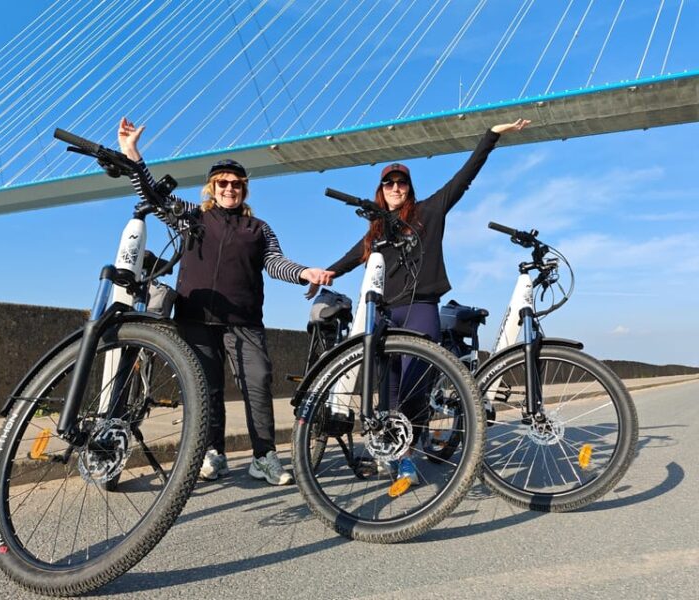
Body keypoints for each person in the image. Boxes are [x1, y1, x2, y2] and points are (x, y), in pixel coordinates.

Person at [307, 119, 531, 484]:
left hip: (421, 307)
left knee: (418, 378)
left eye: (402, 182)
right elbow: (355, 255)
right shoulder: (377, 229)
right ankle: (395, 451)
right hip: (385, 311)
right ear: (381, 190)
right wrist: (328, 272)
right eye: (389, 183)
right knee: (389, 385)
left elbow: (464, 178)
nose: (396, 187)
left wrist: (491, 136)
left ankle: (410, 449)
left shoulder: (429, 212)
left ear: (410, 188)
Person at [118, 117, 334, 486]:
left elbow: (274, 263)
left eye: (236, 184)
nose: (229, 188)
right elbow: (153, 197)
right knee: (207, 389)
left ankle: (264, 457)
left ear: (244, 190)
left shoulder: (259, 229)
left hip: (244, 320)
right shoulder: (192, 218)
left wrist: (303, 272)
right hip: (196, 319)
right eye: (222, 183)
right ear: (211, 187)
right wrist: (133, 154)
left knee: (258, 383)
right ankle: (213, 454)